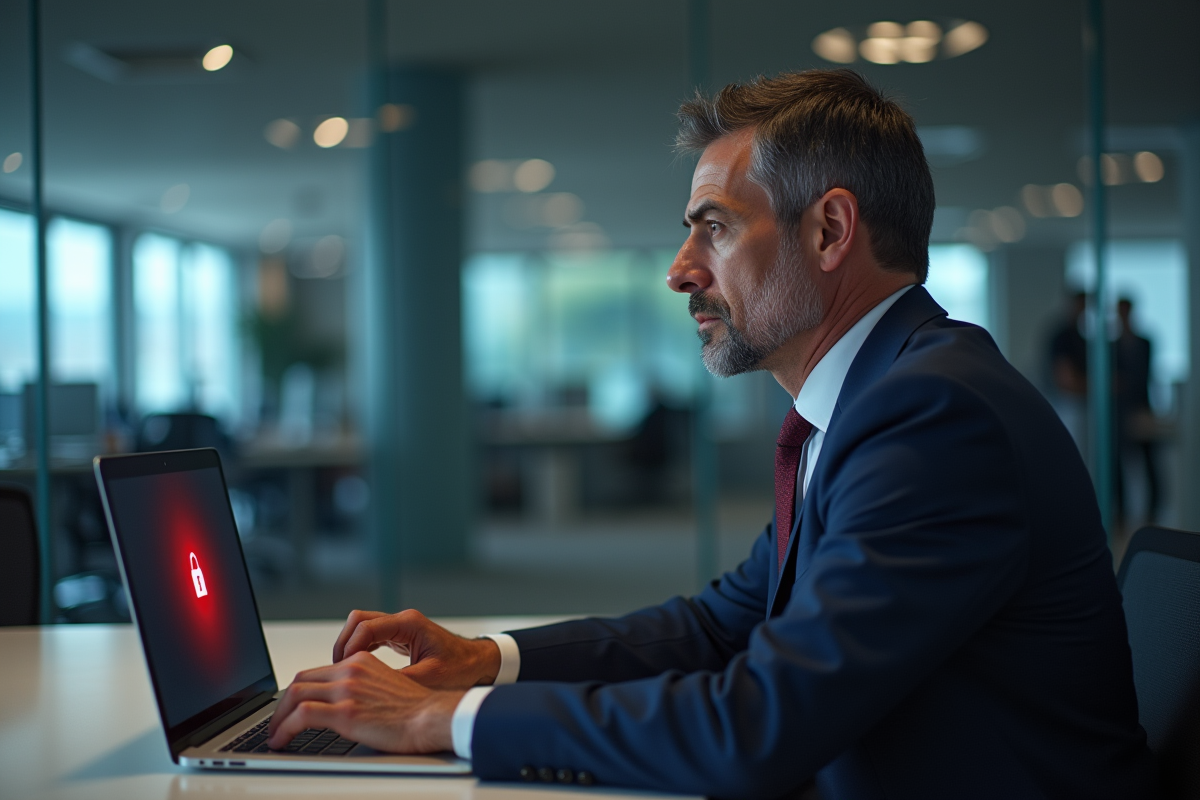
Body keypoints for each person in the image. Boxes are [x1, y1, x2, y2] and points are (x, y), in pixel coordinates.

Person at [267, 70, 1154, 798]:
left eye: (715, 229)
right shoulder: (877, 400)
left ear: (829, 230)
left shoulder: (934, 417)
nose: (680, 271)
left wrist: (440, 719)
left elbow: (755, 728)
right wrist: (486, 661)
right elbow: (724, 626)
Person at [1113, 297, 1161, 525]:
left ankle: (1153, 511)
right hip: (1119, 411)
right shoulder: (1111, 345)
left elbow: (1145, 376)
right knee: (1118, 464)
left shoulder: (1144, 342)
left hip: (1142, 408)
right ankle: (1120, 513)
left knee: (1149, 462)